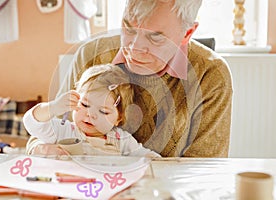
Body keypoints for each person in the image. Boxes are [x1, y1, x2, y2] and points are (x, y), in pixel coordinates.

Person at [26, 0, 232, 157]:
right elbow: (43, 134)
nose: (133, 48)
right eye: (128, 28)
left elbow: (205, 172)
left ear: (187, 33)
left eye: (155, 37)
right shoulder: (91, 54)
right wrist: (40, 150)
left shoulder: (211, 75)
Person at [23, 64, 160, 157]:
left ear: (119, 118)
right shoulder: (64, 130)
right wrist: (53, 107)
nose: (90, 115)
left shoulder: (122, 139)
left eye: (104, 112)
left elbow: (148, 158)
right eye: (84, 105)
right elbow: (31, 122)